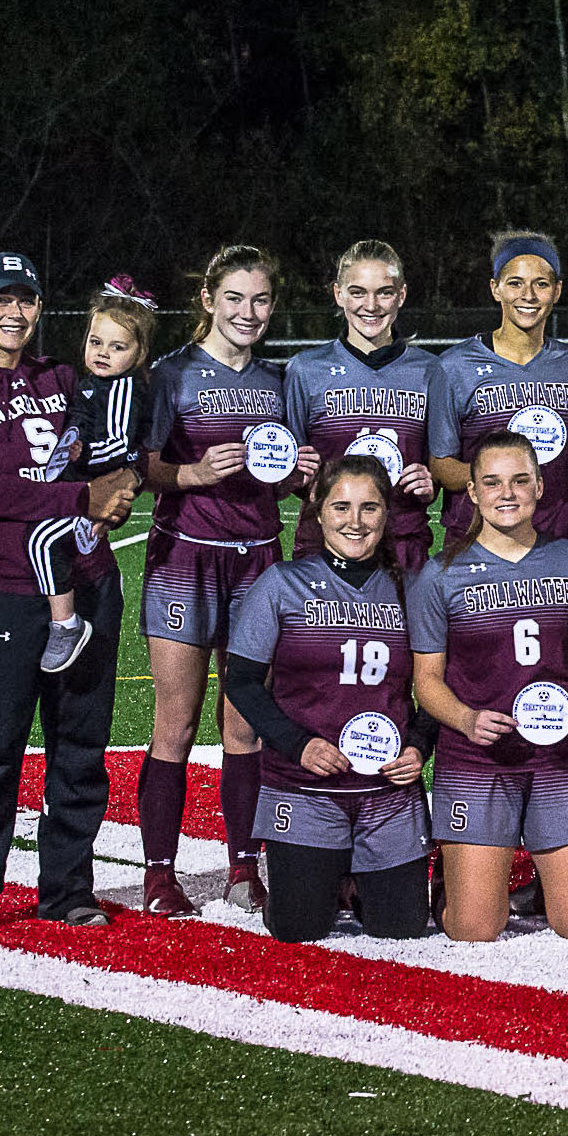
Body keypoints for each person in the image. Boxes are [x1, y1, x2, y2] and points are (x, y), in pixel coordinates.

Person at [0, 250, 138, 931]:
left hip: (89, 580)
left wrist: (126, 479)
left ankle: (67, 889)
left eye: (26, 300)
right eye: (0, 299)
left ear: (40, 309)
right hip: (4, 591)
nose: (14, 312)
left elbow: (118, 419)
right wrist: (83, 492)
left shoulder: (59, 376)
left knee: (80, 744)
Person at [137, 245, 318, 916]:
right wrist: (191, 474)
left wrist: (305, 475)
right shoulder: (170, 374)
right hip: (185, 558)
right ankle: (160, 874)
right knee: (176, 723)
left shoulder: (281, 381)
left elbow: (297, 477)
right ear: (209, 298)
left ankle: (244, 868)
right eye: (235, 298)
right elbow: (144, 466)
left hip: (259, 565)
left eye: (261, 300)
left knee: (245, 727)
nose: (248, 312)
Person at [408, 432, 568, 942]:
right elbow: (427, 682)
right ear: (472, 492)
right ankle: (446, 881)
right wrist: (465, 719)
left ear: (541, 487)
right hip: (480, 760)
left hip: (560, 758)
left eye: (520, 480)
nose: (507, 493)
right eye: (492, 482)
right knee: (474, 928)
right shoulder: (440, 574)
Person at [223, 457, 434, 941]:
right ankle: (323, 873)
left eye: (369, 508)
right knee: (298, 927)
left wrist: (419, 746)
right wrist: (298, 745)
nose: (354, 522)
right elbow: (243, 683)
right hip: (306, 786)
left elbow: (441, 685)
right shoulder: (282, 583)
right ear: (318, 513)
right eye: (341, 507)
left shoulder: (414, 587)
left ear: (388, 516)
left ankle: (354, 878)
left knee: (399, 926)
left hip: (386, 791)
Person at [283, 241, 441, 573]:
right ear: (338, 294)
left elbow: (437, 464)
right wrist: (297, 475)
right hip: (323, 544)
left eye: (384, 292)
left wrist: (430, 482)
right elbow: (290, 474)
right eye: (357, 292)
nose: (370, 305)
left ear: (402, 295)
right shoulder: (306, 370)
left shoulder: (430, 371)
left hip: (402, 541)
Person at [429, 231, 568, 545]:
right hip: (475, 540)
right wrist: (497, 477)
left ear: (557, 291)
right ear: (495, 288)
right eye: (515, 283)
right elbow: (441, 466)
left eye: (540, 284)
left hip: (554, 539)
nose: (527, 295)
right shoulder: (454, 366)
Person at [33, 278, 157, 674]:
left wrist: (81, 454)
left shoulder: (122, 388)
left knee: (41, 541)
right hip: (78, 487)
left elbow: (121, 446)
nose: (103, 353)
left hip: (93, 488)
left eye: (118, 347)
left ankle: (65, 624)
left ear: (138, 354)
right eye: (96, 342)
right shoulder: (90, 383)